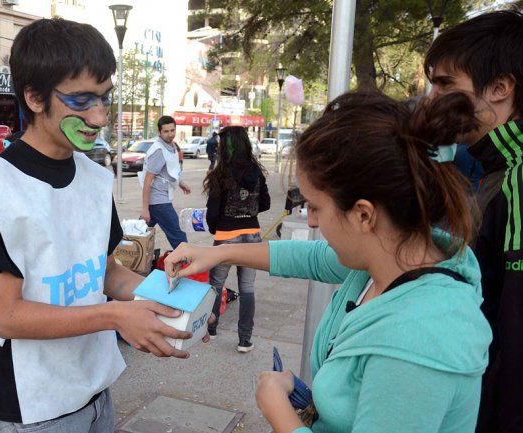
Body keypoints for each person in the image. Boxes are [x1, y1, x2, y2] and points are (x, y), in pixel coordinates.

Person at [165, 92, 492, 433]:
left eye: (316, 207)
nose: (311, 223)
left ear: (364, 214)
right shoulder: (388, 261)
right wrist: (218, 252)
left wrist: (280, 414)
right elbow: (311, 258)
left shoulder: (417, 342)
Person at [0, 18, 198, 433]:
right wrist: (117, 317)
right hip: (29, 405)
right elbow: (6, 316)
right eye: (81, 101)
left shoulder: (95, 179)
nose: (99, 117)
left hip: (94, 390)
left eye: (104, 98)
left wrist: (172, 299)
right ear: (35, 97)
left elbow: (106, 272)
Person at [423, 10, 523, 432]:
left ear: (500, 87)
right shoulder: (489, 168)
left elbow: (515, 334)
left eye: (446, 84)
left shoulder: (517, 179)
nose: (433, 99)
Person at [203, 126, 270, 352]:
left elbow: (213, 212)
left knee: (216, 284)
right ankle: (244, 340)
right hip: (252, 235)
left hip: (226, 237)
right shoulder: (256, 172)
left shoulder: (220, 174)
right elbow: (266, 203)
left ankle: (210, 329)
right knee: (248, 287)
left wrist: (216, 229)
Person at [139, 115, 192, 249]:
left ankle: (127, 254)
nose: (170, 134)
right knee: (180, 237)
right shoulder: (159, 151)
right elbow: (147, 181)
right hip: (159, 202)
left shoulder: (171, 146)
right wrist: (145, 209)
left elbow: (170, 170)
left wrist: (180, 182)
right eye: (166, 131)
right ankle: (186, 265)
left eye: (172, 130)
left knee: (138, 233)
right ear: (159, 132)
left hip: (160, 199)